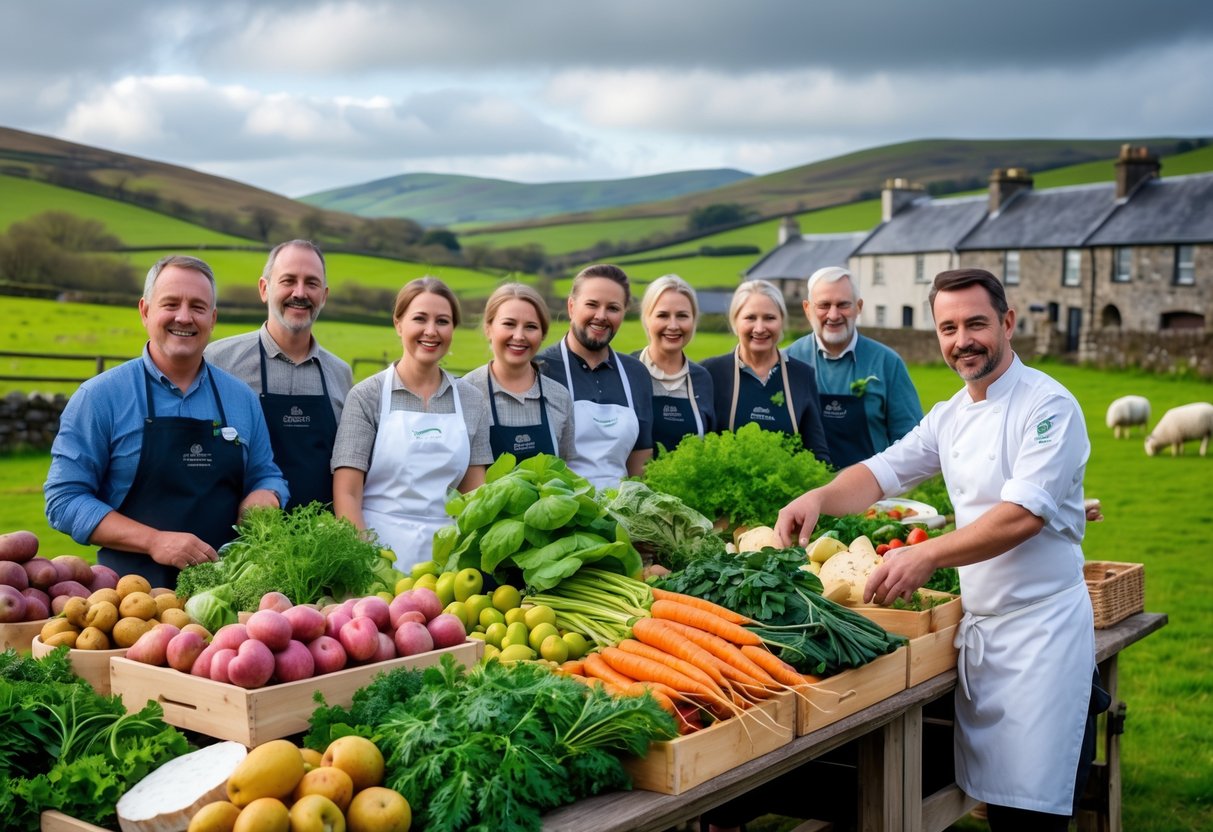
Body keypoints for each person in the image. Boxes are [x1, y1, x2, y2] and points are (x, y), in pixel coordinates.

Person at [776, 268, 1102, 831]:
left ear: (1007, 322)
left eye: (976, 323)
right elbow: (884, 471)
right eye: (947, 327)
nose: (961, 340)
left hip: (1041, 637)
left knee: (1033, 817)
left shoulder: (1049, 406)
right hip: (983, 635)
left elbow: (1021, 515)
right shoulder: (951, 414)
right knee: (999, 809)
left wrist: (927, 554)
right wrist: (820, 496)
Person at [45, 255, 288, 588]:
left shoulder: (240, 398)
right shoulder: (100, 397)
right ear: (145, 311)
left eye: (198, 307)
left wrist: (267, 494)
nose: (184, 317)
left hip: (228, 601)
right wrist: (153, 541)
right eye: (170, 304)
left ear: (213, 318)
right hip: (129, 603)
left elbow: (267, 473)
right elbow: (64, 500)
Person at [331, 277, 492, 571]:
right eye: (420, 318)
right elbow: (347, 492)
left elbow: (473, 495)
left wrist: (465, 562)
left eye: (442, 321)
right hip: (378, 557)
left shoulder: (471, 400)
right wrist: (366, 561)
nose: (431, 331)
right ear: (399, 323)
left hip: (448, 565)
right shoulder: (368, 395)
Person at [205, 240, 353, 510]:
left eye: (312, 283)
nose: (300, 292)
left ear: (324, 295)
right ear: (264, 288)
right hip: (241, 539)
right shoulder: (219, 360)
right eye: (288, 281)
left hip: (322, 540)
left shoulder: (340, 373)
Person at [785, 266, 923, 468]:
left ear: (858, 307)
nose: (833, 315)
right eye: (824, 305)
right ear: (807, 309)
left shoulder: (886, 362)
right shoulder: (787, 361)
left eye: (843, 305)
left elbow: (911, 441)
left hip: (871, 494)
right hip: (804, 491)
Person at [538, 264, 654, 490]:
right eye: (591, 304)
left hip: (621, 515)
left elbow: (640, 461)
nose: (601, 316)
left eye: (613, 308)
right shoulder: (541, 369)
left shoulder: (636, 373)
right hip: (561, 512)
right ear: (571, 307)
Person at [701, 279, 831, 465]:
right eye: (750, 318)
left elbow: (817, 454)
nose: (760, 328)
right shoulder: (711, 373)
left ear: (781, 322)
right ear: (735, 322)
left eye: (769, 318)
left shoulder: (802, 375)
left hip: (789, 493)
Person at [463, 283, 575, 462]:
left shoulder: (559, 396)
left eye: (531, 326)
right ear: (488, 328)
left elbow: (566, 468)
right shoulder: (466, 393)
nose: (519, 336)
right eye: (509, 324)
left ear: (543, 334)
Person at [634, 274, 715, 452]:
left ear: (694, 320)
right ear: (647, 319)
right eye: (662, 315)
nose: (673, 325)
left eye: (682, 316)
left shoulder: (701, 378)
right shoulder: (627, 370)